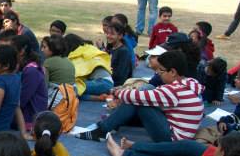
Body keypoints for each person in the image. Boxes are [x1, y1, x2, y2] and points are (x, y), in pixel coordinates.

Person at [109, 75, 240, 156]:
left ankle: (133, 147)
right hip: (233, 154)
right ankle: (127, 153)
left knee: (187, 147)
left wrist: (229, 141)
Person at [76, 51, 204, 143]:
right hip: (181, 133)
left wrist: (116, 91)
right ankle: (111, 124)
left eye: (160, 71)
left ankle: (102, 130)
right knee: (140, 98)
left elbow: (138, 97)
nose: (158, 74)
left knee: (137, 101)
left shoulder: (174, 91)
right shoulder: (189, 84)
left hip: (173, 138)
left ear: (173, 72)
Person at [3, 33, 47, 133]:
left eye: (11, 49)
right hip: (22, 110)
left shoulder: (32, 71)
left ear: (22, 51)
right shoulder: (22, 66)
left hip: (30, 117)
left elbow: (21, 99)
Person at [65, 33, 114, 98]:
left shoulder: (78, 54)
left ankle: (97, 98)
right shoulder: (89, 49)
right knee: (76, 90)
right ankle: (101, 96)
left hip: (101, 83)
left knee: (69, 89)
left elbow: (76, 74)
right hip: (107, 83)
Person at [105, 22, 134, 88]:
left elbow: (121, 76)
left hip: (116, 85)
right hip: (107, 79)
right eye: (107, 33)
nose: (108, 36)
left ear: (120, 36)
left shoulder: (123, 51)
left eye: (112, 34)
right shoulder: (111, 47)